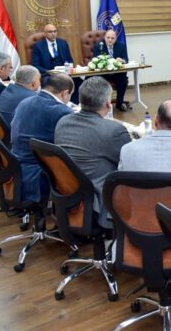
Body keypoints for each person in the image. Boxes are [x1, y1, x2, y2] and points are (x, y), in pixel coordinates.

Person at [55, 77, 132, 228]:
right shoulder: (113, 131)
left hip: (69, 193)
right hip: (99, 200)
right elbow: (131, 163)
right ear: (108, 104)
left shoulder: (63, 122)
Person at [11, 73, 74, 203]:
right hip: (39, 174)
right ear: (65, 93)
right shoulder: (62, 111)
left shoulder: (24, 102)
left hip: (15, 167)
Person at [31, 24, 80, 102]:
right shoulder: (38, 46)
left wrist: (68, 68)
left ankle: (74, 103)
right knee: (48, 81)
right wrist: (48, 72)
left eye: (55, 31)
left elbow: (70, 60)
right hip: (48, 74)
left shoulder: (63, 43)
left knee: (78, 79)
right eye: (50, 32)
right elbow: (36, 65)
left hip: (64, 72)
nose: (53, 34)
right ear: (45, 34)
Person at [94, 29, 130, 111]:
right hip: (103, 74)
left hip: (117, 73)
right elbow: (95, 60)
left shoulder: (121, 46)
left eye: (112, 38)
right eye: (108, 37)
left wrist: (122, 60)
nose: (110, 40)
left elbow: (126, 60)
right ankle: (101, 104)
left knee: (123, 80)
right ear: (104, 37)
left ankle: (119, 103)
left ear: (116, 38)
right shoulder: (99, 46)